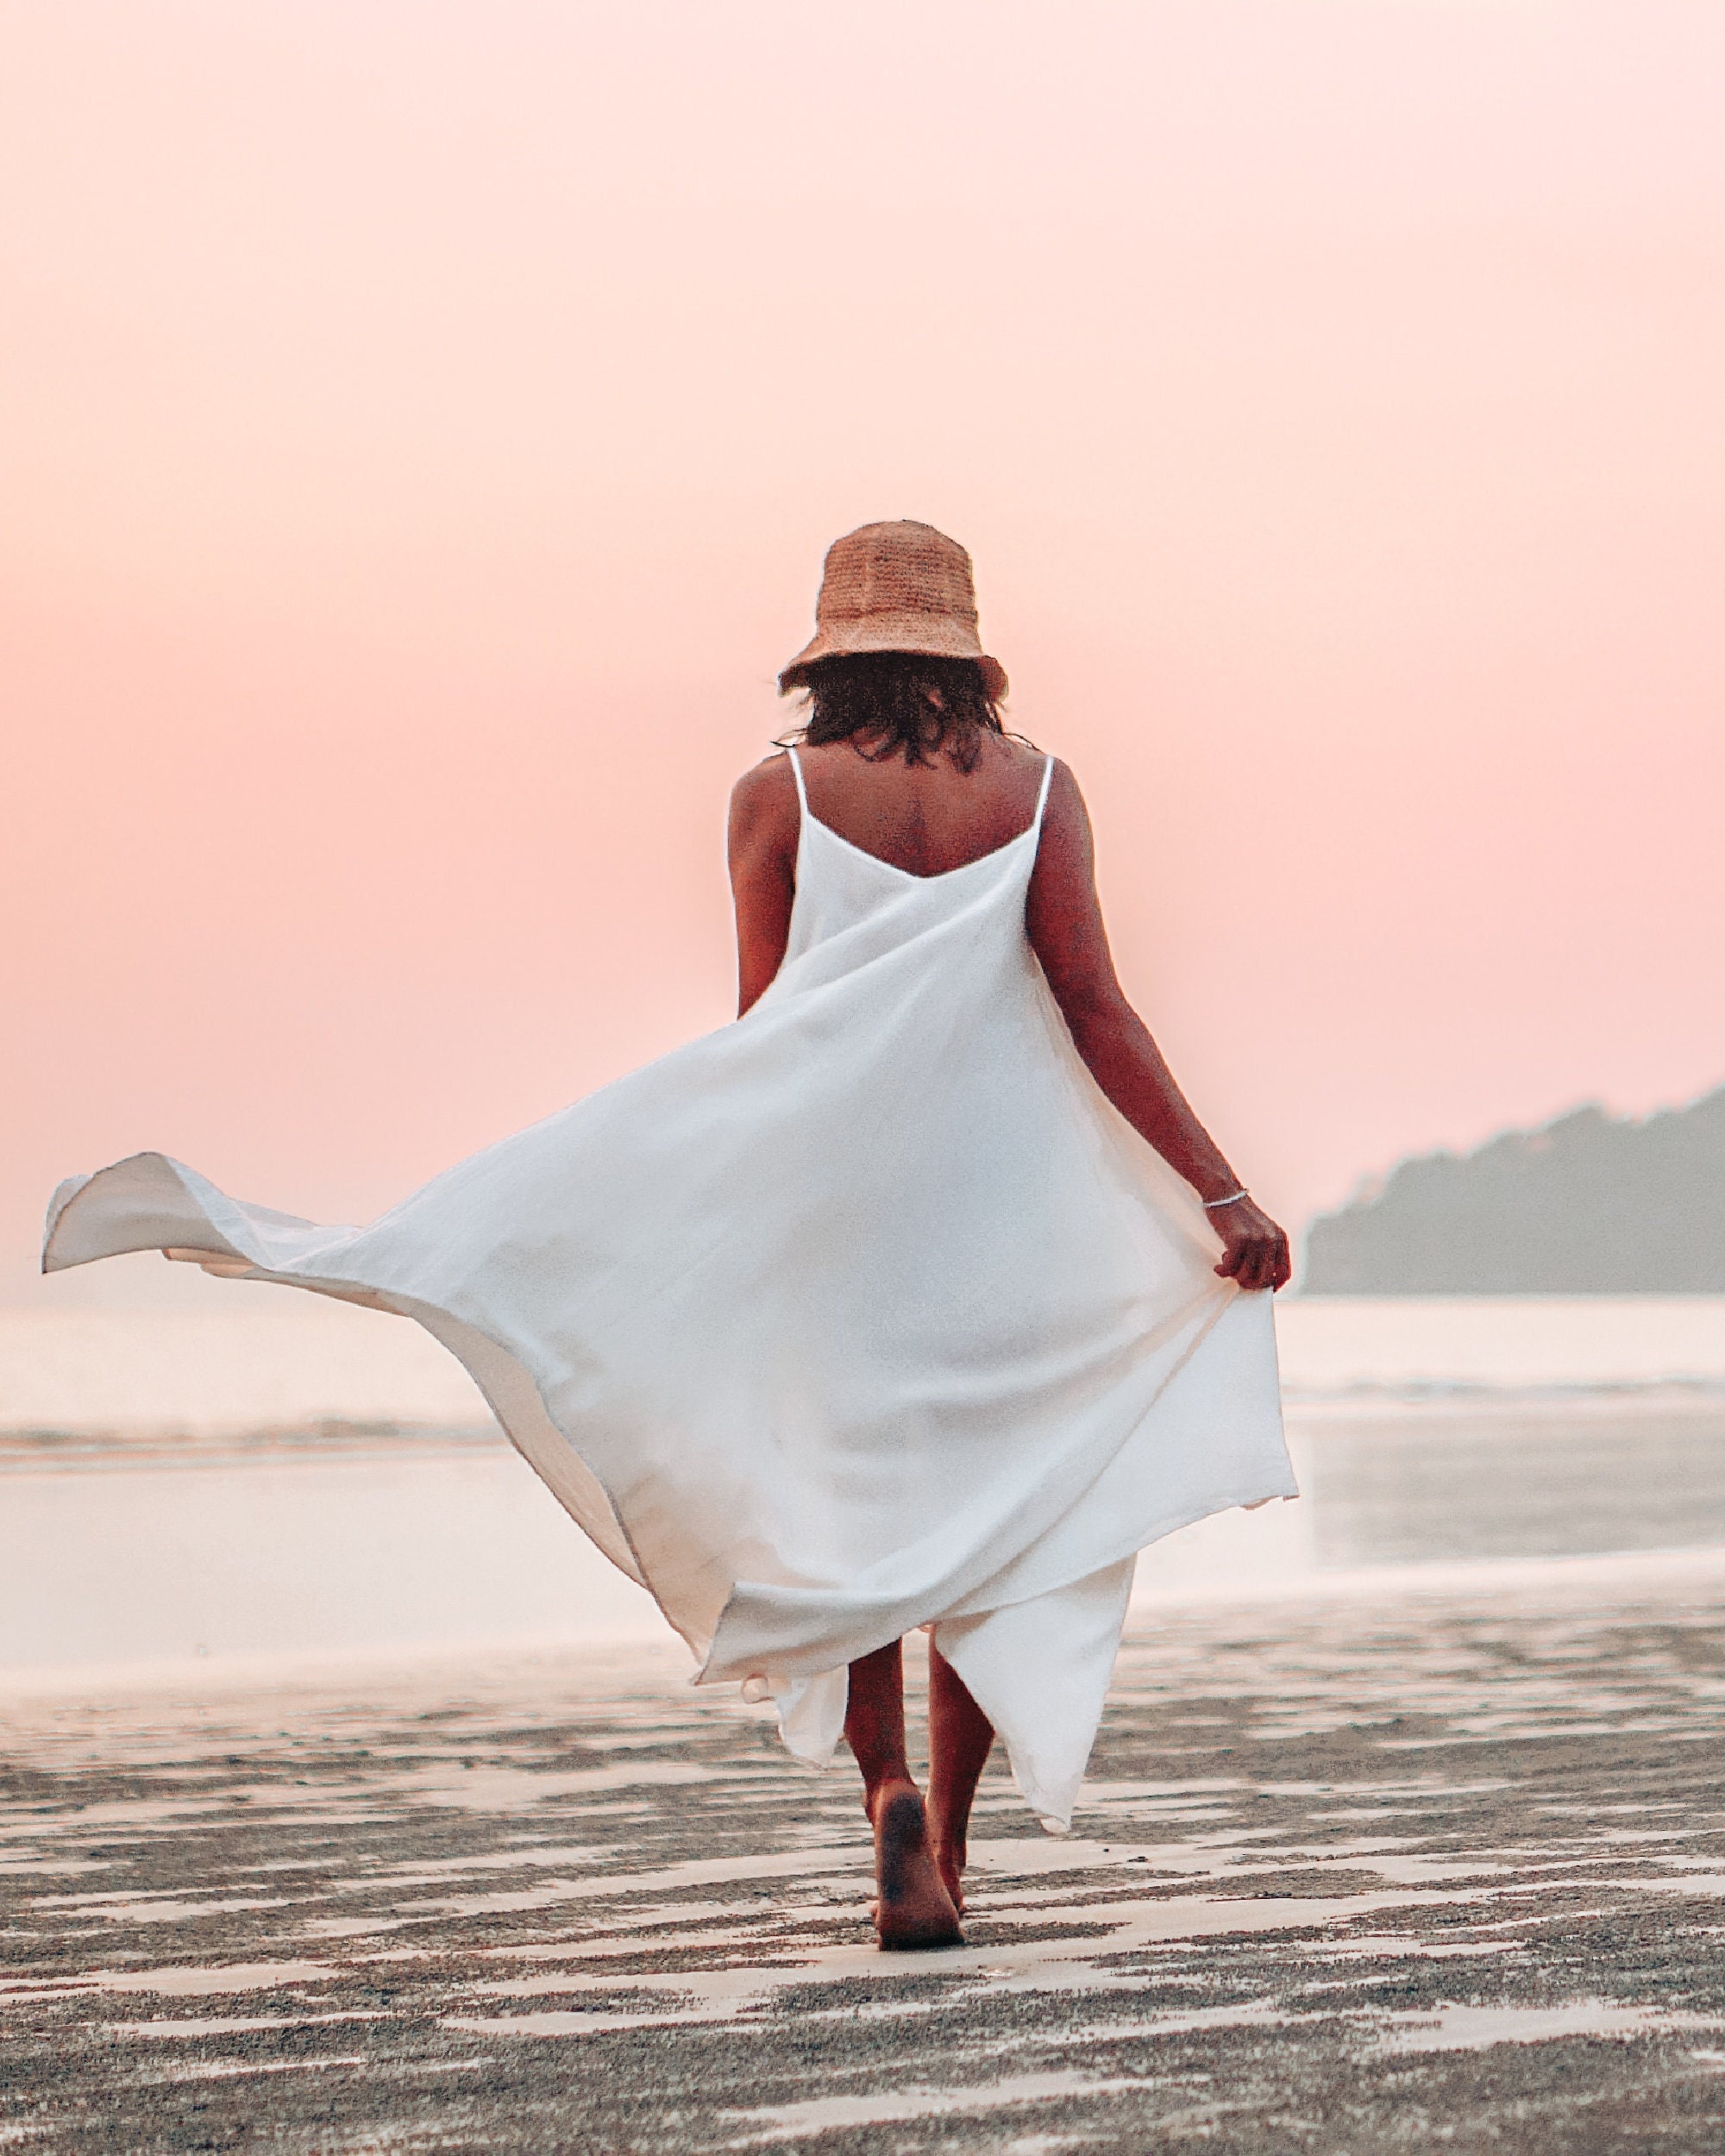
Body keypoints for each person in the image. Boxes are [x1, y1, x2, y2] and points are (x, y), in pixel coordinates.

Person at [43, 520, 1296, 1952]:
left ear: (831, 655)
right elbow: (1095, 1004)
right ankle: (949, 1842)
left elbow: (771, 1039)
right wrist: (1217, 1191)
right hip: (1003, 1205)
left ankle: (882, 1786)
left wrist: (703, 1214)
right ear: (967, 652)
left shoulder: (779, 798)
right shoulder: (1041, 791)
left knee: (858, 1507)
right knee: (997, 1520)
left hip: (841, 1204)